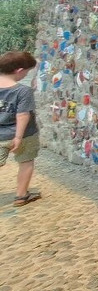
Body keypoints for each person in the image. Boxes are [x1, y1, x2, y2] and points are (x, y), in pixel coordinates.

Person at [0, 51, 41, 206]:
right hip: (24, 135)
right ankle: (21, 196)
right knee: (26, 162)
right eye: (27, 72)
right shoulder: (22, 91)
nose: (25, 75)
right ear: (19, 70)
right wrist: (17, 137)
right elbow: (23, 115)